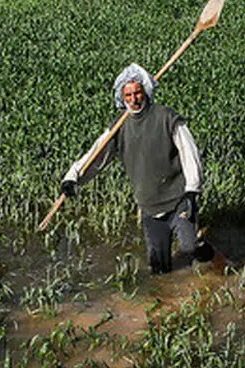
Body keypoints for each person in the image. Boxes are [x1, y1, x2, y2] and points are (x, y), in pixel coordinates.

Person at [60, 63, 213, 274]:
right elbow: (96, 155)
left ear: (145, 92)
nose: (134, 99)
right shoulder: (119, 127)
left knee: (189, 247)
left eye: (138, 93)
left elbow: (189, 152)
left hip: (178, 199)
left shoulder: (165, 117)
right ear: (122, 98)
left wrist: (192, 190)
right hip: (149, 206)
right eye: (128, 95)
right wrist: (73, 177)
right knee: (159, 270)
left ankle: (213, 258)